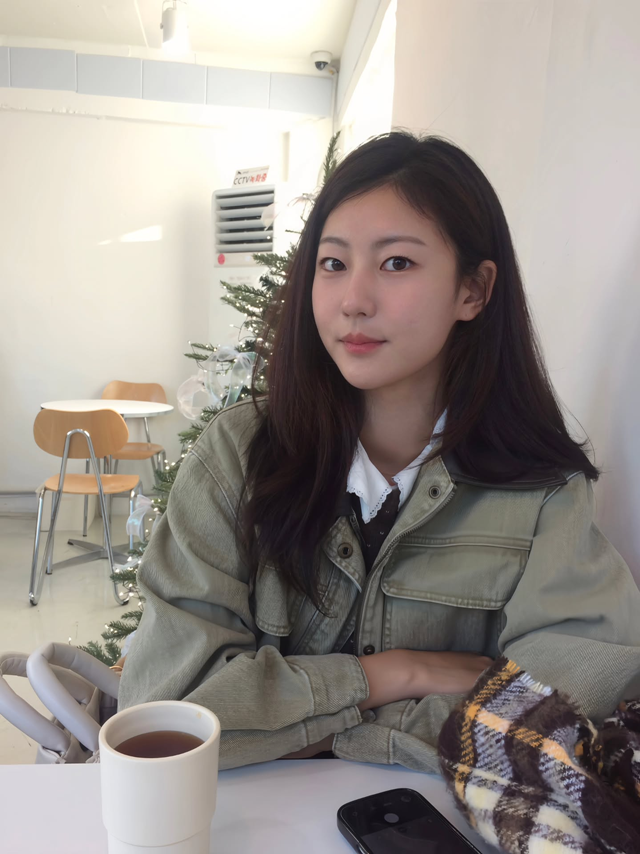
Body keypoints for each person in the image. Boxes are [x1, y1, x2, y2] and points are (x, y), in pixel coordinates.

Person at [118, 131, 640, 772]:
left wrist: (302, 727)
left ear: (473, 291)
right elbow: (170, 708)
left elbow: (567, 706)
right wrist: (393, 673)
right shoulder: (237, 455)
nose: (353, 301)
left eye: (396, 263)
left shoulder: (542, 491)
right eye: (333, 264)